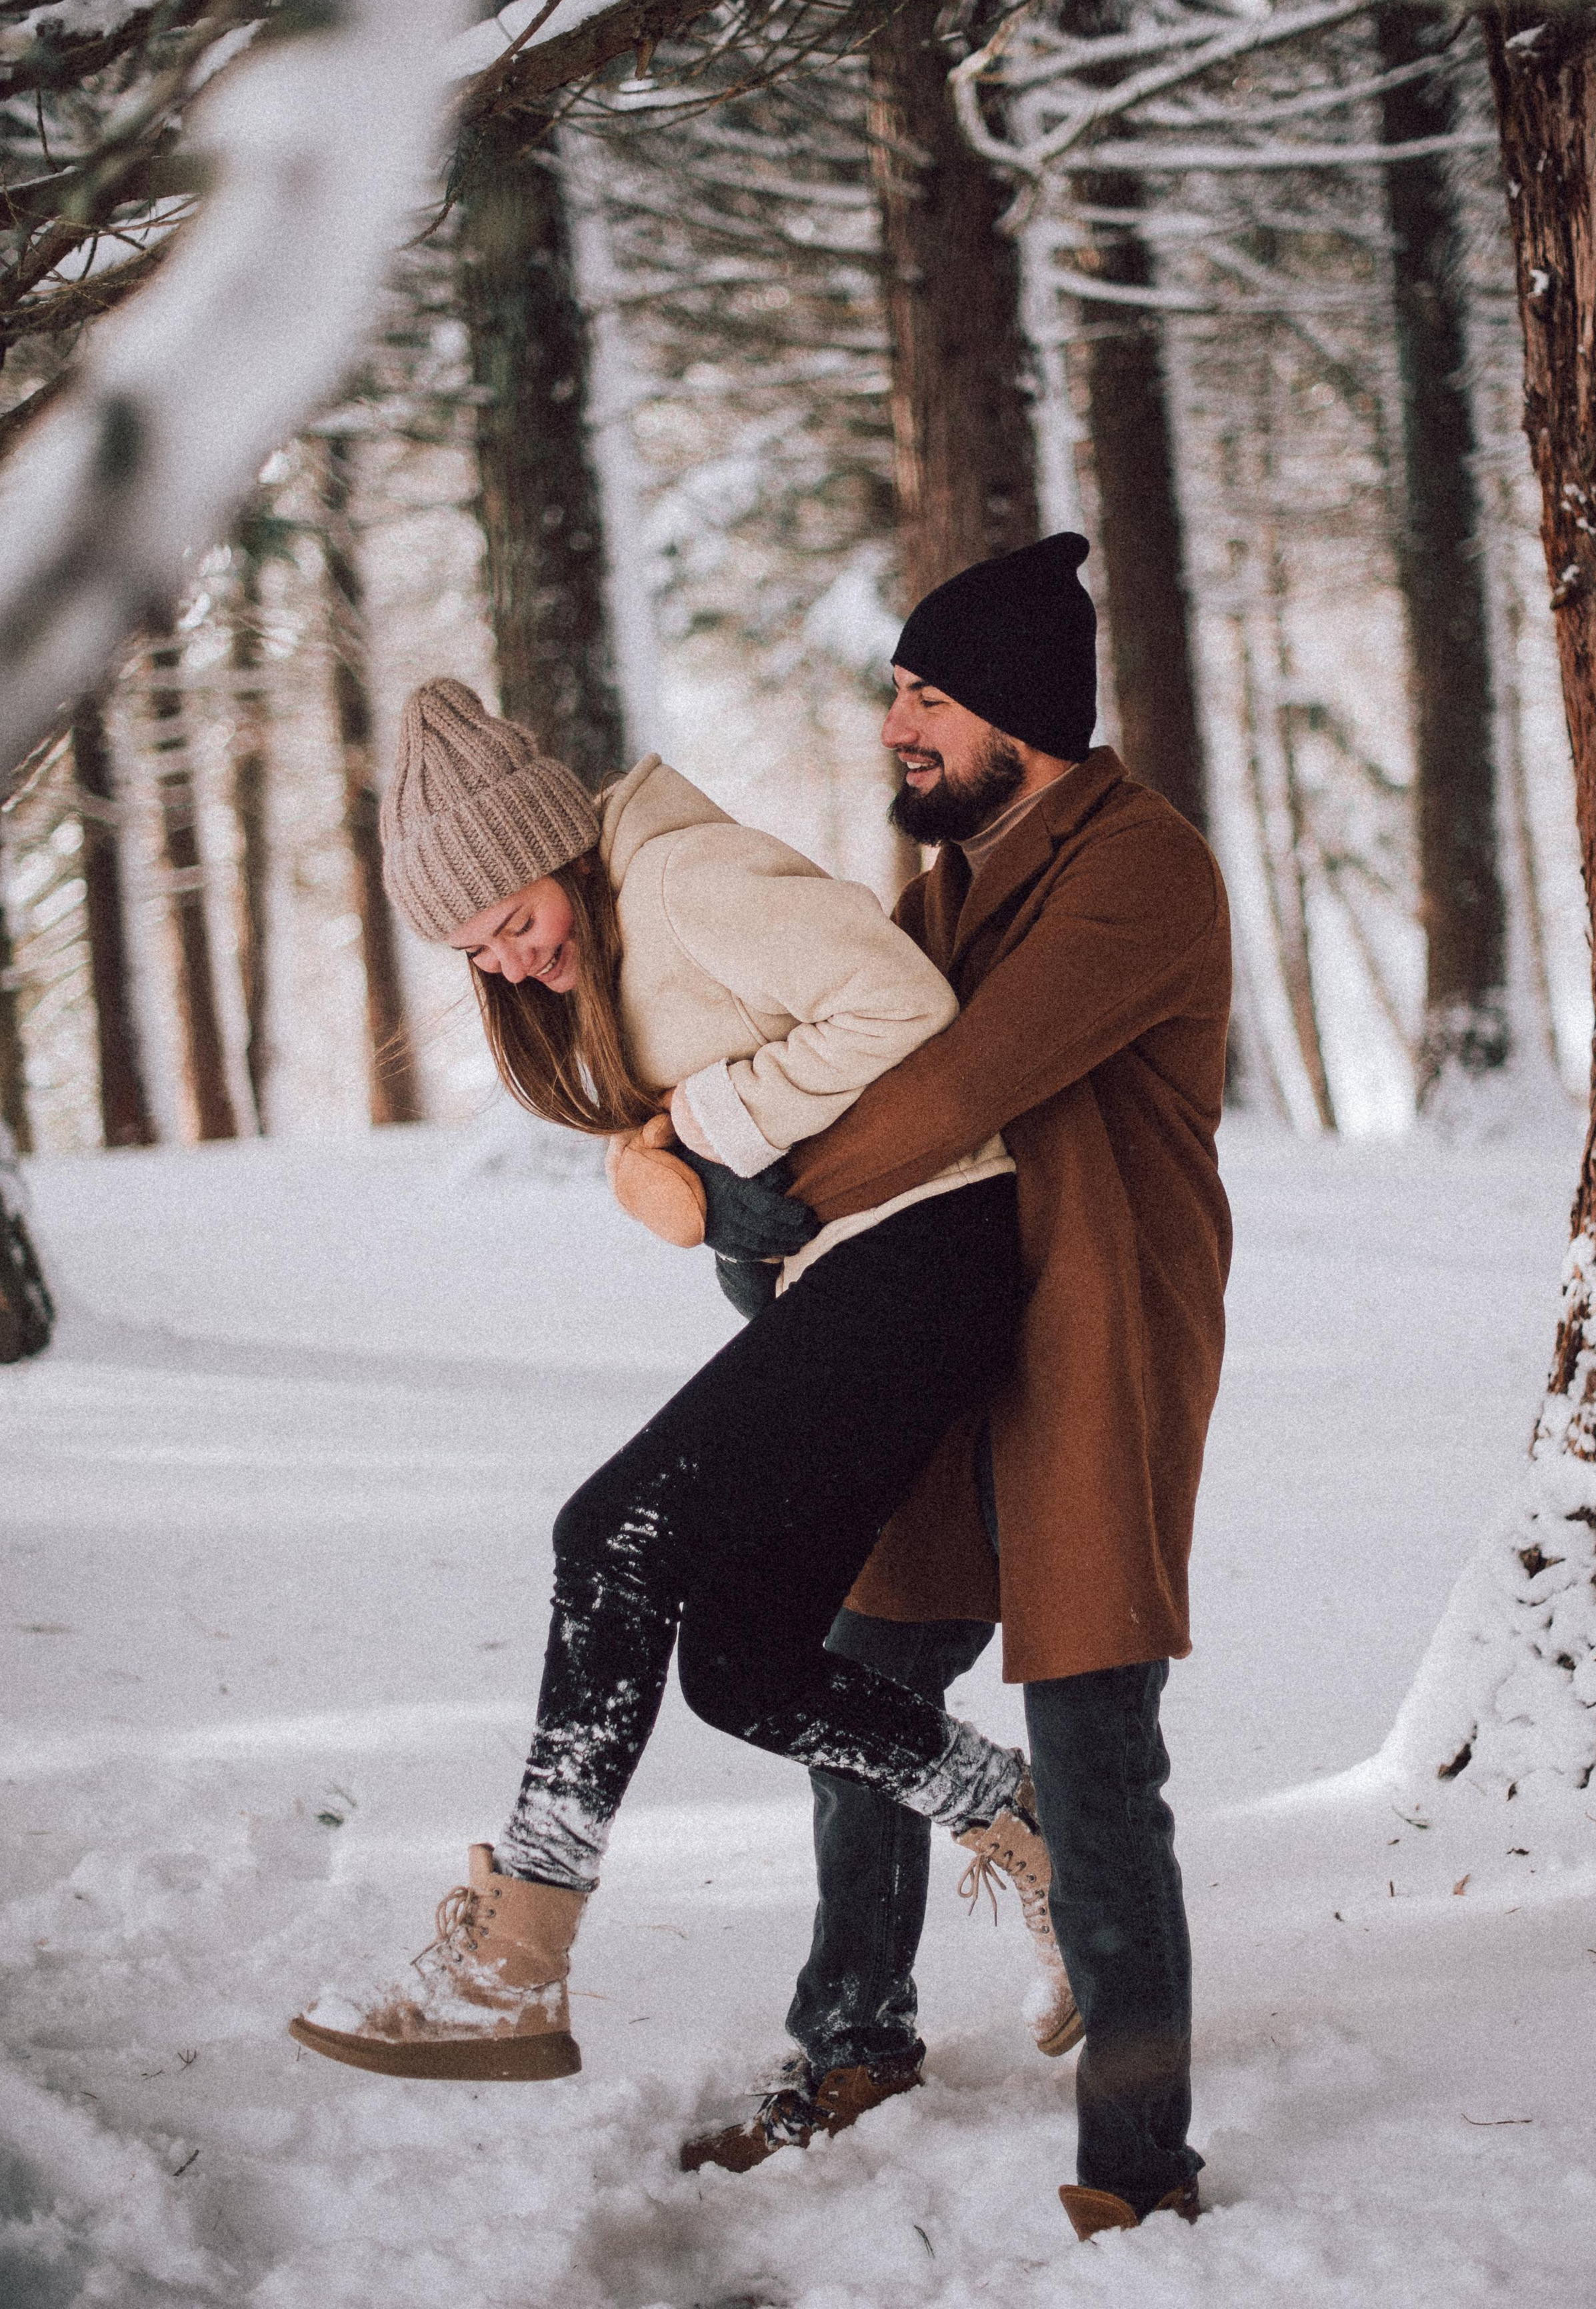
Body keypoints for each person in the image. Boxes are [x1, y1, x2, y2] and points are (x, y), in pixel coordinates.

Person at [288, 677, 1069, 2083]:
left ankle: (517, 1952)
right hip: (856, 1272)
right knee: (744, 1665)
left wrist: (701, 1126)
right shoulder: (607, 933)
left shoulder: (684, 872)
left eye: (514, 923)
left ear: (558, 848)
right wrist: (675, 1169)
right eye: (479, 952)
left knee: (609, 1533)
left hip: (929, 1245)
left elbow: (896, 1004)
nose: (514, 965)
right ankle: (1022, 1822)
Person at [679, 533, 1233, 2244]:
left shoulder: (1137, 866)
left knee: (1087, 1744)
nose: (895, 723)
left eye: (928, 694)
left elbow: (966, 1078)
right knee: (860, 1670)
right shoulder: (953, 880)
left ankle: (1134, 2165)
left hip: (1090, 1329)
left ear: (1020, 708)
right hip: (936, 1321)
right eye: (896, 691)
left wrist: (773, 1192)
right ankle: (851, 2040)